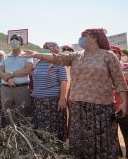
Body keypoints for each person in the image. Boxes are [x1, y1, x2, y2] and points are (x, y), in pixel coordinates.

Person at [21, 28, 128, 158]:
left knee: (100, 142)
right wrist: (36, 54)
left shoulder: (108, 55)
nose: (81, 39)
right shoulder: (77, 55)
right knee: (80, 140)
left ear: (94, 38)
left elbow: (119, 81)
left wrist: (124, 102)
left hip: (100, 107)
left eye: (84, 36)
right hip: (77, 105)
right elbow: (57, 58)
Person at [31, 42, 68, 141]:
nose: (44, 50)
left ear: (53, 51)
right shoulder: (38, 63)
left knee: (52, 124)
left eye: (47, 48)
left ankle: (55, 145)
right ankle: (43, 144)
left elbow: (63, 81)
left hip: (52, 100)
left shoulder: (58, 62)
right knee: (42, 124)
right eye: (44, 48)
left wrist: (62, 98)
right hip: (39, 100)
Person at [0, 34, 34, 122]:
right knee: (8, 114)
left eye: (16, 39)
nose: (13, 40)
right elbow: (0, 71)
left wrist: (11, 74)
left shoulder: (26, 56)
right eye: (12, 39)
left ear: (21, 43)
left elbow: (27, 70)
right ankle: (9, 134)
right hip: (6, 89)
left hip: (21, 89)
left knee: (23, 114)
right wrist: (6, 79)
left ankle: (23, 134)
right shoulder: (6, 57)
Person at [111, 45, 128, 157]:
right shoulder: (103, 68)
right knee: (112, 135)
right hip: (108, 106)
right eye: (111, 52)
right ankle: (117, 154)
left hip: (123, 105)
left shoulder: (126, 66)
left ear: (119, 55)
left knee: (126, 132)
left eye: (115, 52)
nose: (113, 55)